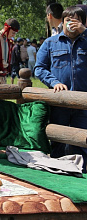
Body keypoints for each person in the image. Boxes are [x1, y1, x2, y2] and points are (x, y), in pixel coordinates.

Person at [35, 6, 87, 173]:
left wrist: (85, 32)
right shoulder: (51, 43)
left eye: (77, 20)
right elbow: (39, 68)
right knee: (58, 141)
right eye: (68, 20)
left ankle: (82, 173)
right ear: (62, 22)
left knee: (82, 141)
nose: (72, 24)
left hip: (84, 103)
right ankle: (58, 174)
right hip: (60, 101)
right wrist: (54, 82)